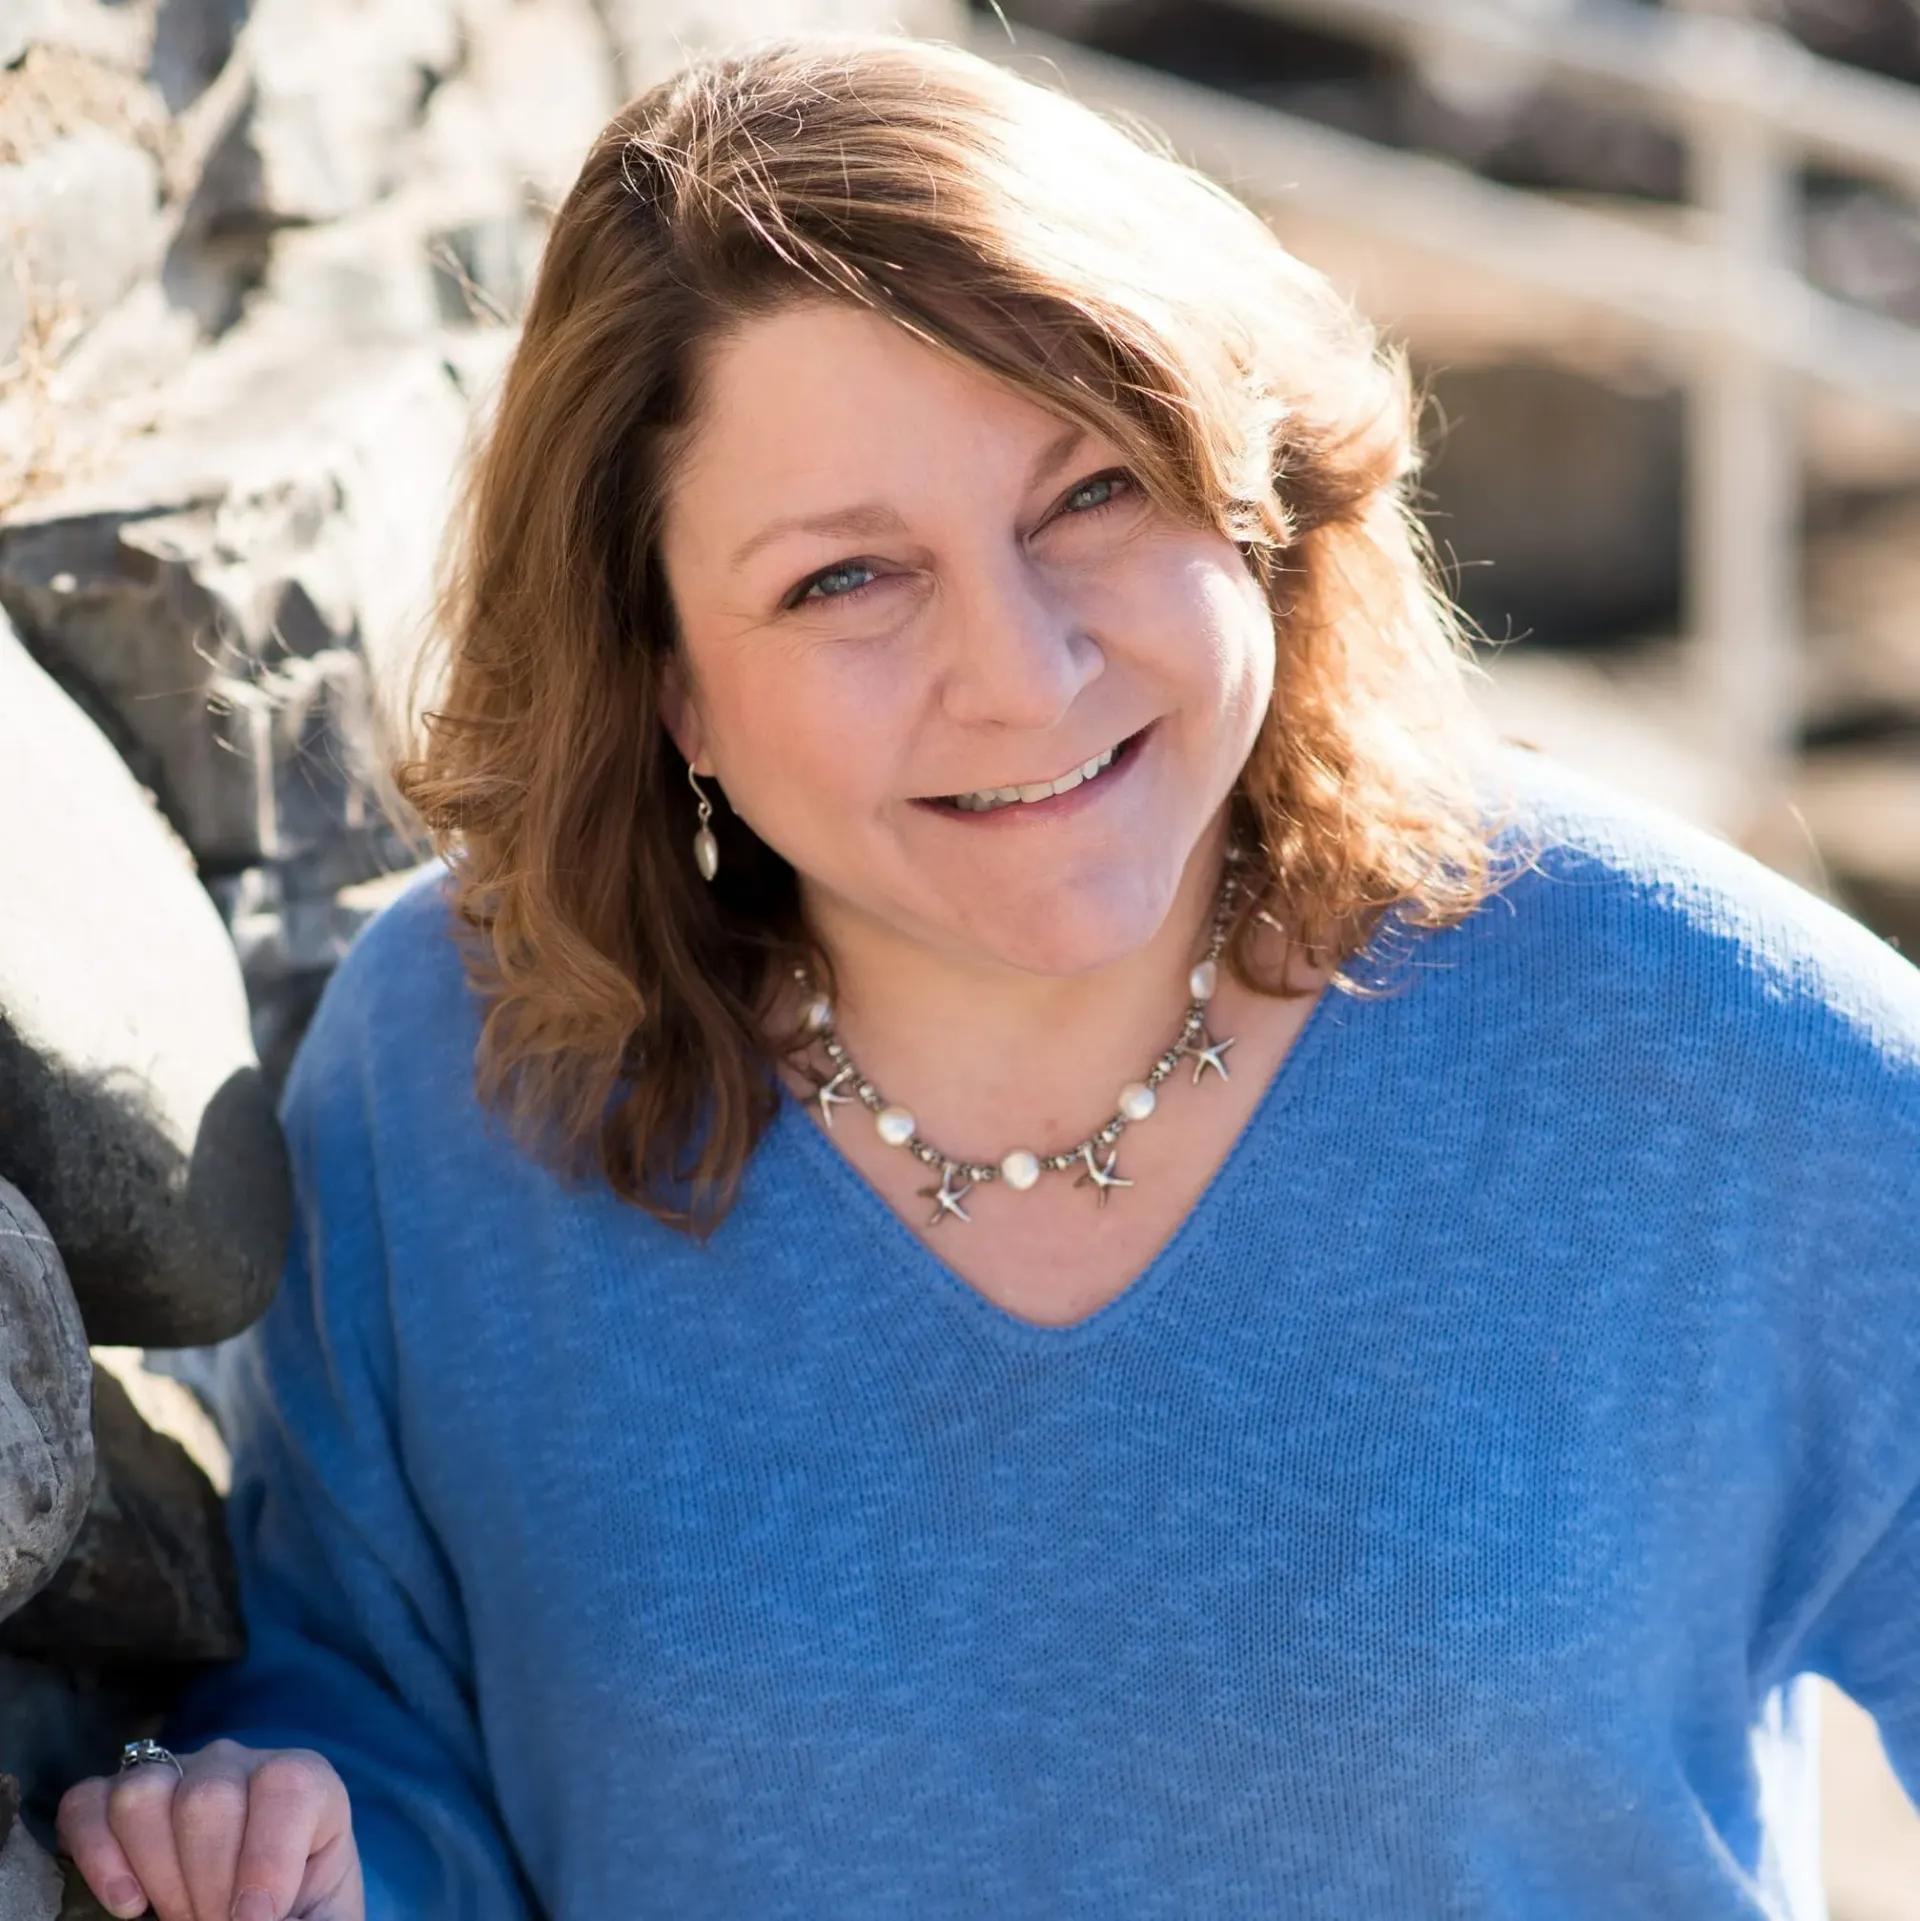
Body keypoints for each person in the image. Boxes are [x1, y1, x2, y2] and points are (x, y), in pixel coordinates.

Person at [55, 30, 1920, 1921]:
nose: (1023, 675)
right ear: (666, 680)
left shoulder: (1711, 1055)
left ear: (1251, 495)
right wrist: (301, 1853)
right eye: (844, 580)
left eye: (1095, 492)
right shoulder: (459, 1073)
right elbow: (393, 1737)